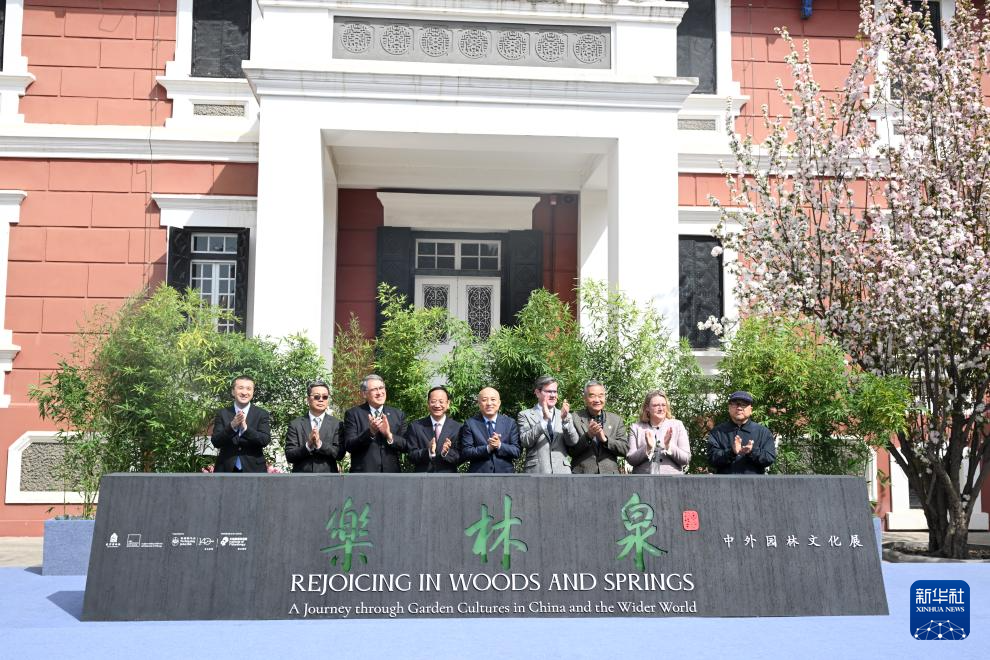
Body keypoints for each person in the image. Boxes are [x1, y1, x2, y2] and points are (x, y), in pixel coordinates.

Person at [343, 374, 407, 473]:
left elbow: (406, 445)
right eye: (374, 389)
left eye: (381, 388)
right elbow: (349, 446)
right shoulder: (353, 414)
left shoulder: (398, 414)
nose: (379, 393)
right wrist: (370, 432)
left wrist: (389, 435)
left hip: (391, 474)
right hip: (364, 474)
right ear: (364, 394)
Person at [210, 375, 271, 473]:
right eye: (240, 388)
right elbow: (216, 441)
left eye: (248, 389)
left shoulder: (261, 414)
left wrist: (246, 429)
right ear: (233, 391)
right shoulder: (222, 413)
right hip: (226, 468)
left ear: (253, 392)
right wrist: (232, 426)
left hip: (254, 470)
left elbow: (265, 440)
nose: (244, 392)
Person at [517, 376, 578, 474]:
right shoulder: (525, 415)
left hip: (562, 472)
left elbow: (573, 442)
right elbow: (525, 441)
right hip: (537, 472)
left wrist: (565, 422)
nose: (553, 395)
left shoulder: (565, 415)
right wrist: (544, 421)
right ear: (537, 393)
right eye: (549, 391)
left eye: (555, 391)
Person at [707, 390, 776, 474]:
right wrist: (731, 452)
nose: (739, 408)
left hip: (754, 482)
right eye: (735, 404)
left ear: (750, 410)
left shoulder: (763, 432)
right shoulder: (717, 432)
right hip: (725, 482)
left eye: (743, 405)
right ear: (729, 408)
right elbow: (711, 460)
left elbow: (769, 458)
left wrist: (752, 451)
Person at [569, 380, 628, 474]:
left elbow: (625, 449)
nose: (597, 400)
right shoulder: (574, 418)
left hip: (610, 475)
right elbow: (570, 451)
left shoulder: (616, 420)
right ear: (585, 398)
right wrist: (588, 436)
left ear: (605, 397)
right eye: (592, 396)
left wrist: (605, 440)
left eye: (601, 396)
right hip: (582, 475)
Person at [626, 390, 691, 474]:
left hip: (672, 480)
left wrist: (669, 446)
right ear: (647, 407)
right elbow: (631, 460)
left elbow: (686, 459)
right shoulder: (636, 428)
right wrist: (647, 448)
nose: (661, 408)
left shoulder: (677, 425)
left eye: (663, 405)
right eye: (656, 405)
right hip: (643, 480)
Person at [284, 381, 342, 473]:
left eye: (325, 397)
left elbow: (339, 454)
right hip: (302, 478)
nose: (321, 400)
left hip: (328, 477)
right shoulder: (295, 424)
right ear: (308, 399)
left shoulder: (337, 424)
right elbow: (290, 456)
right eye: (317, 397)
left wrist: (320, 444)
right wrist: (308, 445)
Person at [459, 387, 520, 473]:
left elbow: (516, 451)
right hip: (479, 475)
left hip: (505, 476)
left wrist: (499, 445)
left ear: (499, 403)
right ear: (479, 403)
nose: (489, 403)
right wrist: (488, 448)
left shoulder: (510, 423)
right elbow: (466, 452)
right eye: (484, 400)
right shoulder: (470, 424)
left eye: (493, 399)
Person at [406, 386, 462, 473]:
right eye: (433, 401)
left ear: (448, 404)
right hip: (422, 478)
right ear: (428, 403)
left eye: (441, 401)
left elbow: (461, 457)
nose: (437, 405)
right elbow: (411, 456)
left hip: (447, 478)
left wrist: (446, 453)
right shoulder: (415, 426)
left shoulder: (458, 428)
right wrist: (428, 451)